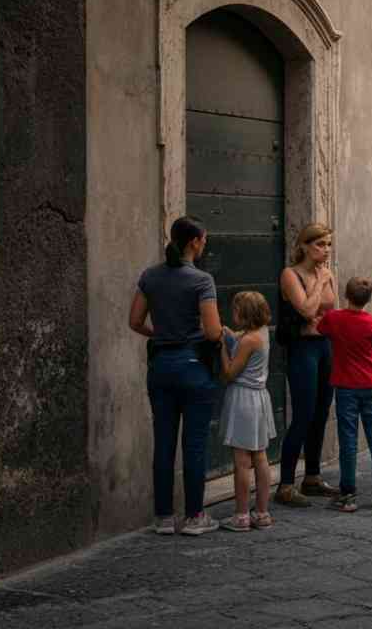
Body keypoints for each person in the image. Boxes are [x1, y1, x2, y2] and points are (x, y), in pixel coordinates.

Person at [129, 215, 223, 536]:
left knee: (164, 443)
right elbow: (212, 332)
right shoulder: (202, 280)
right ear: (194, 242)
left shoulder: (150, 276)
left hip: (160, 367)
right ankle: (195, 516)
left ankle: (164, 517)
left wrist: (162, 334)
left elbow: (135, 321)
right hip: (194, 366)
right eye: (204, 239)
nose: (205, 244)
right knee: (194, 445)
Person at [275, 223, 340, 507]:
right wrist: (320, 281)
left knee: (322, 411)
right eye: (319, 245)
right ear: (303, 246)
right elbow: (307, 309)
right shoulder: (291, 275)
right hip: (302, 349)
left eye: (327, 245)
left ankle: (311, 476)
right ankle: (286, 484)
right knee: (303, 413)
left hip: (325, 347)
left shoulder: (327, 274)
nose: (325, 250)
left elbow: (331, 313)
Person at [318, 277, 372, 512]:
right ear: (368, 299)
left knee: (348, 440)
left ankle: (348, 494)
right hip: (370, 385)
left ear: (346, 295)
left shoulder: (334, 319)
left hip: (345, 387)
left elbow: (321, 327)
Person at [217, 291, 276, 531]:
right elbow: (239, 337)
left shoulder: (248, 340)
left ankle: (241, 515)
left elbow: (230, 373)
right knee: (260, 456)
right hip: (260, 399)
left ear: (245, 315)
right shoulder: (260, 333)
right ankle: (261, 512)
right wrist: (229, 335)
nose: (233, 315)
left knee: (241, 461)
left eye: (236, 311)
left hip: (244, 400)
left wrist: (222, 348)